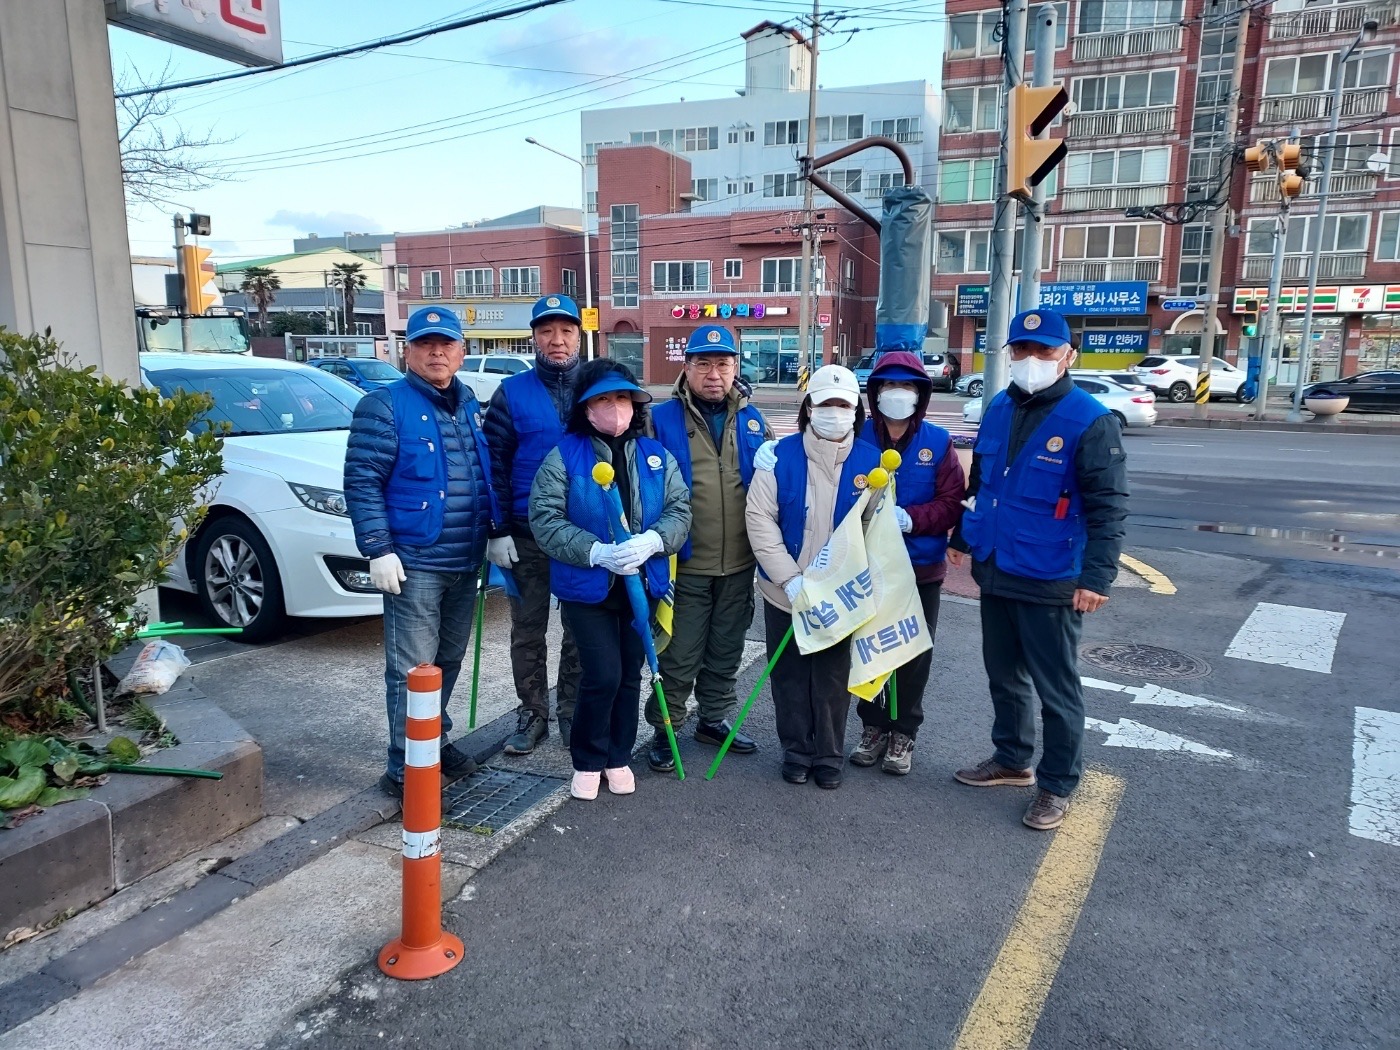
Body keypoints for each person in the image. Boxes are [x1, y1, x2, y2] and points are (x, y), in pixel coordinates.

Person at [949, 308, 1129, 831]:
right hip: (997, 565)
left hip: (1051, 575)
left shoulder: (1090, 420)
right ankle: (1011, 760)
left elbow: (1108, 507)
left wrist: (1097, 577)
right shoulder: (999, 408)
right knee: (1003, 676)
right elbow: (981, 483)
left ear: (1068, 355)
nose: (1031, 360)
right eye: (1021, 351)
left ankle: (1056, 785)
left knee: (1056, 689)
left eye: (1043, 351)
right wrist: (964, 538)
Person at [344, 305, 497, 800]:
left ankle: (435, 738)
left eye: (446, 343)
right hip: (415, 560)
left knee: (447, 661)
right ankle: (406, 766)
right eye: (426, 343)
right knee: (411, 669)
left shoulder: (470, 403)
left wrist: (495, 529)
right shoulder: (384, 405)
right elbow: (362, 480)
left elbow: (481, 474)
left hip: (464, 557)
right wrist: (377, 548)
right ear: (406, 351)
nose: (437, 351)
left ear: (462, 351)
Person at [529, 360, 692, 801]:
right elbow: (544, 519)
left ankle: (619, 755)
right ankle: (587, 758)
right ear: (585, 407)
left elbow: (680, 510)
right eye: (603, 399)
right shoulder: (564, 455)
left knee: (631, 676)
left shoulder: (655, 455)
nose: (615, 408)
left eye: (622, 398)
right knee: (601, 674)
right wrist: (595, 551)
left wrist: (654, 541)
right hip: (589, 589)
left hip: (642, 586)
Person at [746, 365, 881, 790]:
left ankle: (828, 753)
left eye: (843, 405)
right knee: (788, 674)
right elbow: (760, 519)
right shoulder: (779, 455)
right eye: (825, 404)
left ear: (856, 410)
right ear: (810, 407)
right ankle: (796, 750)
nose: (834, 412)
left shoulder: (871, 462)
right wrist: (789, 578)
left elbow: (875, 529)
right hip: (784, 591)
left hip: (839, 596)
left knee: (831, 676)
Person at [645, 325, 773, 772]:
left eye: (723, 363)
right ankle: (665, 727)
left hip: (740, 562)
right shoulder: (659, 419)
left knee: (726, 648)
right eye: (703, 363)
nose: (714, 373)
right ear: (687, 368)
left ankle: (713, 719)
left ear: (735, 368)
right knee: (678, 652)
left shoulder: (754, 419)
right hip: (685, 562)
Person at [848, 350, 965, 775]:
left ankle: (904, 733)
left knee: (913, 652)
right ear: (875, 393)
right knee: (868, 647)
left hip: (919, 569)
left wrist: (911, 519)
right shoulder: (856, 437)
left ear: (921, 394)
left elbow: (953, 502)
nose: (897, 394)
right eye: (889, 386)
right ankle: (873, 726)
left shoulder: (937, 442)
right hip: (865, 568)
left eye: (907, 387)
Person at [483, 294, 584, 755]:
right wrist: (496, 528)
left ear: (580, 336)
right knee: (528, 627)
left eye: (565, 331)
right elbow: (495, 465)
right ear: (534, 338)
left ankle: (573, 710)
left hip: (585, 533)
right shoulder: (512, 392)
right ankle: (533, 710)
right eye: (546, 331)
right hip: (526, 531)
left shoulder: (599, 384)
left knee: (582, 627)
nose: (556, 340)